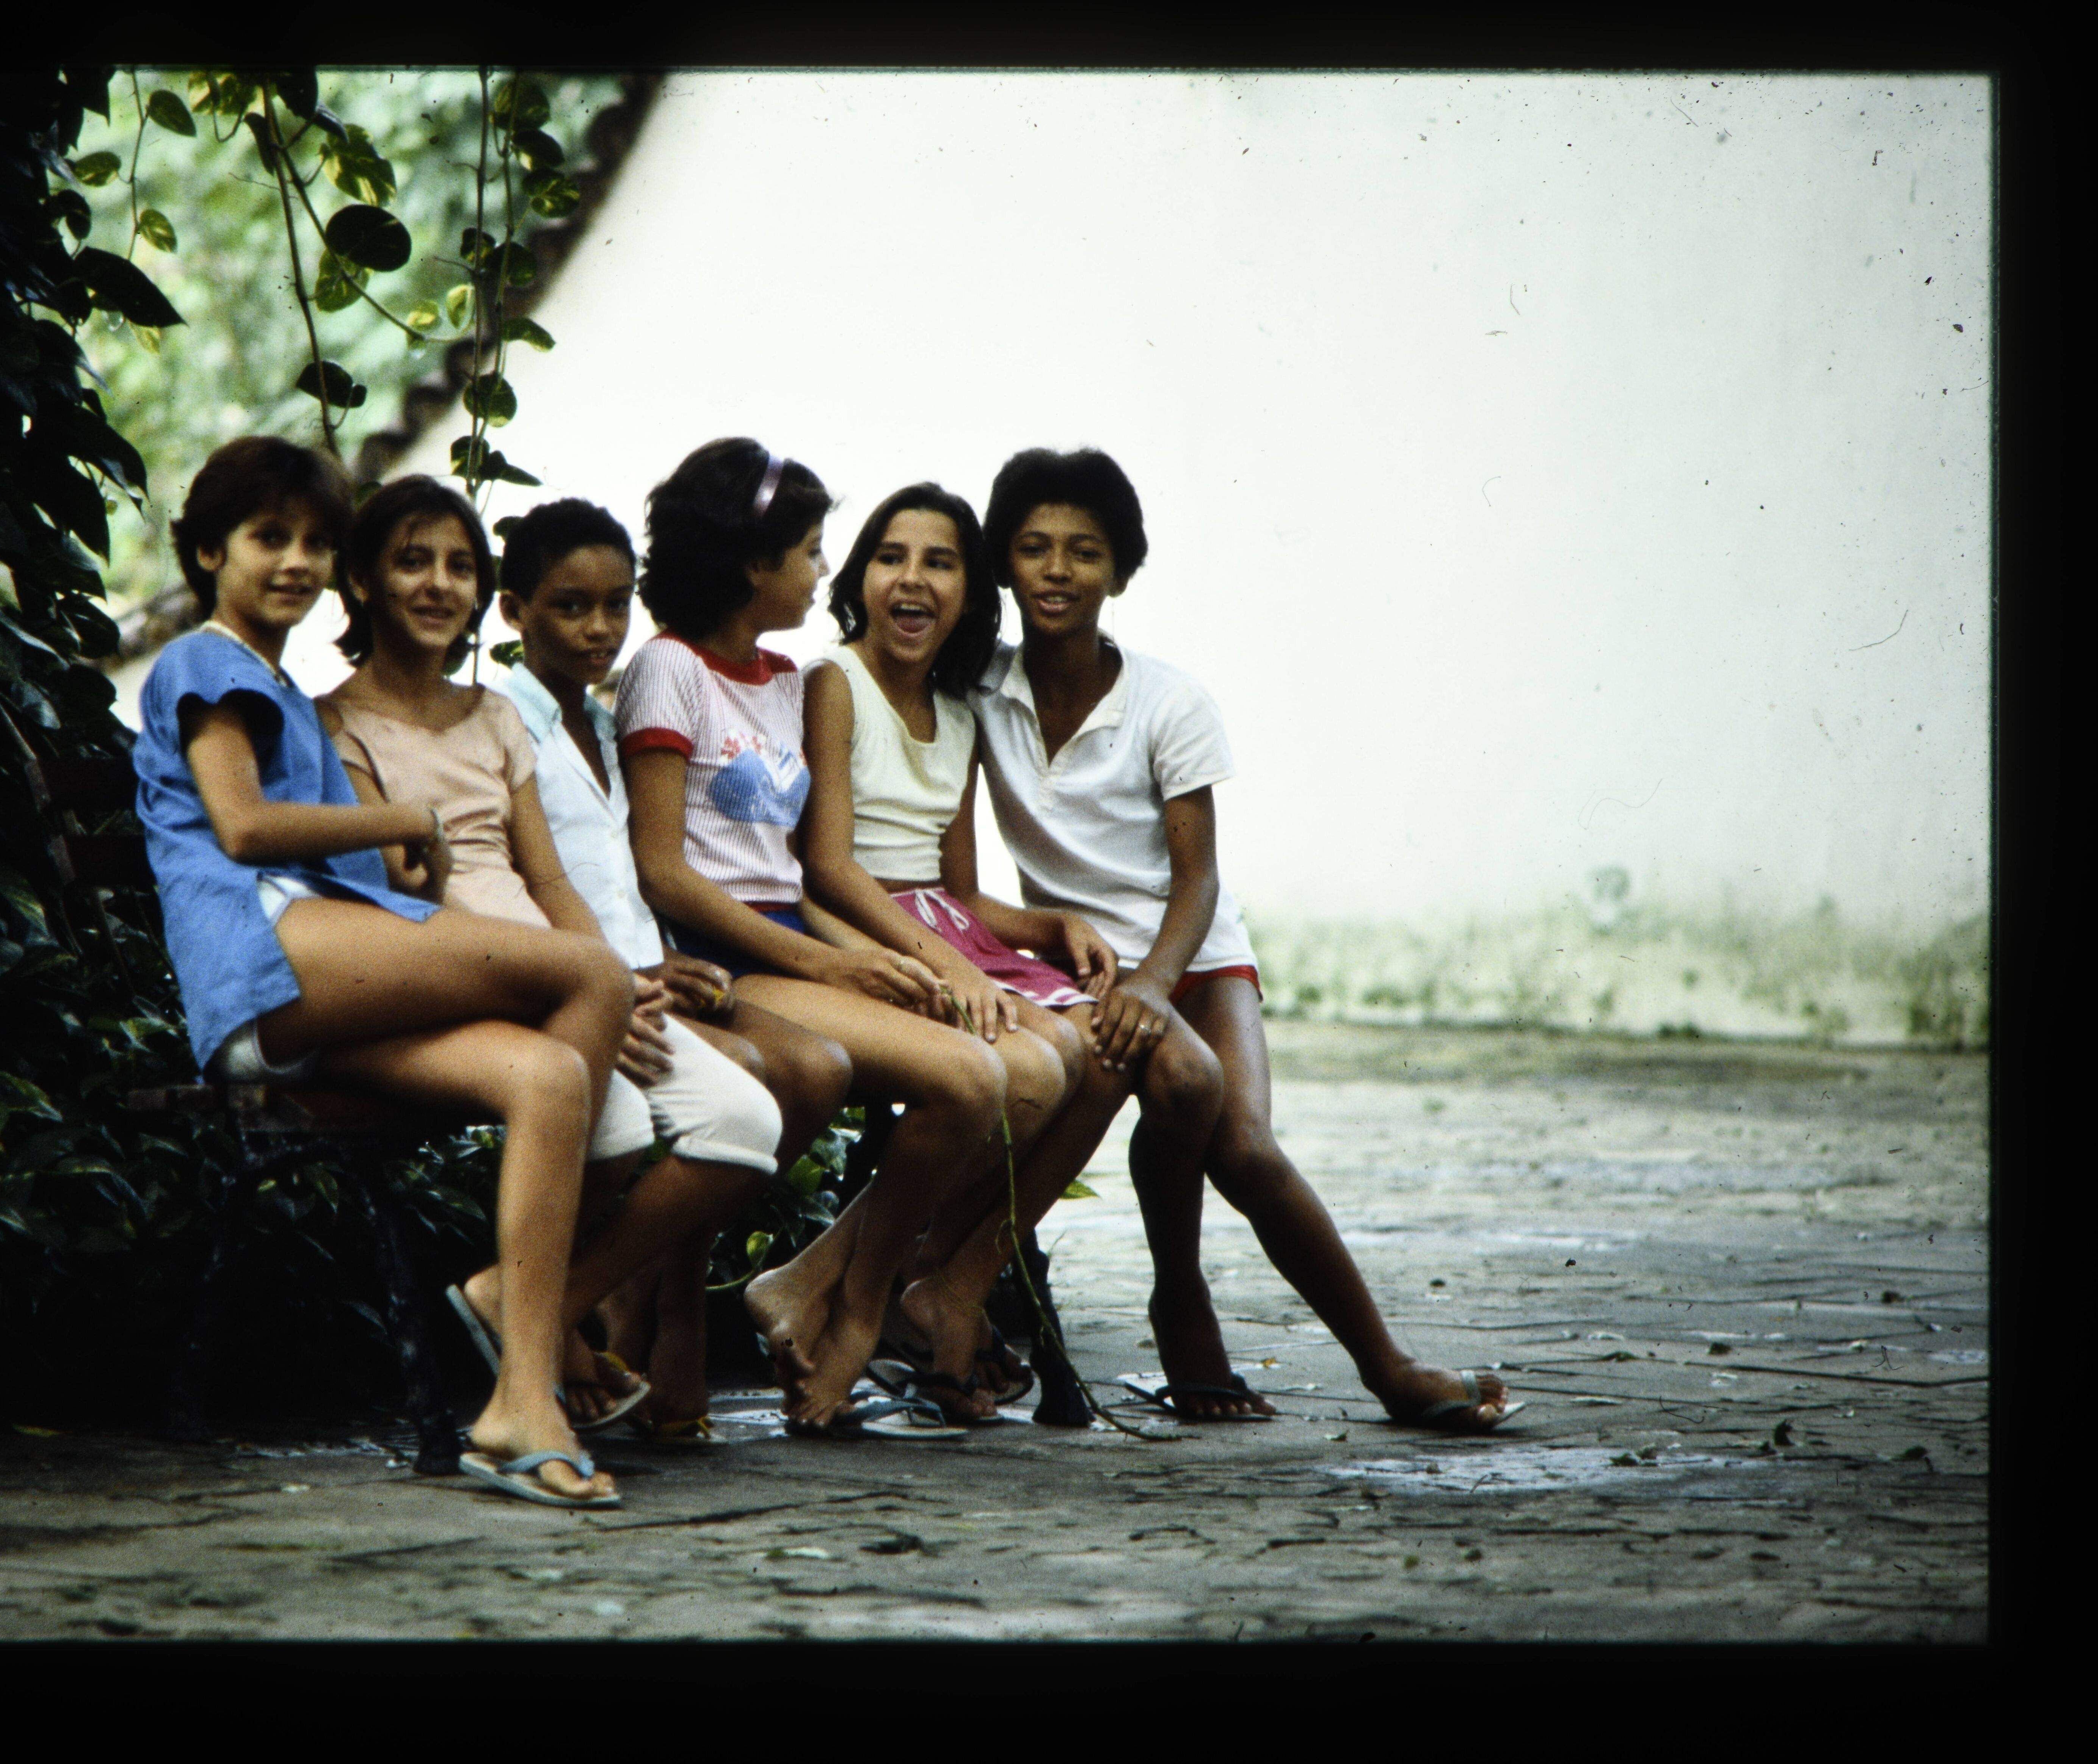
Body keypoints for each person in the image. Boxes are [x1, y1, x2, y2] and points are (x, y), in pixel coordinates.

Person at [965, 445, 1522, 1431]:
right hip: (1076, 963)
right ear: (1003, 564)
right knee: (1180, 1087)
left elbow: (1198, 879)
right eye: (1034, 547)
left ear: (1120, 572)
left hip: (1193, 954)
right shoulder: (979, 692)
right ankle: (1181, 1302)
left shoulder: (1167, 700)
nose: (1057, 570)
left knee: (1247, 1149)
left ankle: (1386, 1366)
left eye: (1085, 552)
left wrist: (1155, 981)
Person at [132, 437, 634, 1510]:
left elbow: (361, 864)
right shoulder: (202, 662)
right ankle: (544, 1339)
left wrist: (405, 855)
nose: (296, 562)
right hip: (264, 955)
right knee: (594, 976)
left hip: (326, 977)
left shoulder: (279, 683)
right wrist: (409, 818)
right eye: (269, 538)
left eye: (317, 542)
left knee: (549, 1076)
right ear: (208, 550)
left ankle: (520, 1396)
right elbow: (243, 825)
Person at [313, 477, 797, 1443]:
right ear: (362, 582)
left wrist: (607, 982)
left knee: (744, 1123)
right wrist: (567, 984)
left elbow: (550, 879)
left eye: (457, 564)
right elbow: (400, 896)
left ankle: (531, 1299)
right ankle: (546, 1348)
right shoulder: (336, 724)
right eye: (412, 562)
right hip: (457, 974)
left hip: (560, 973)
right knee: (615, 1123)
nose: (437, 584)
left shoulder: (494, 719)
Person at [617, 437, 1017, 1439]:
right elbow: (665, 871)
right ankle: (684, 1297)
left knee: (988, 1069)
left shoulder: (783, 679)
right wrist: (828, 963)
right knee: (963, 1077)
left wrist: (882, 959)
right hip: (718, 954)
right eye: (807, 552)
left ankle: (708, 1288)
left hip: (791, 937)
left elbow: (798, 869)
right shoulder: (667, 670)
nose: (820, 572)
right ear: (750, 562)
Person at [490, 496, 854, 1437]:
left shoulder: (598, 721)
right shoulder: (504, 726)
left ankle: (582, 1305)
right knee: (750, 1080)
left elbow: (617, 881)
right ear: (513, 611)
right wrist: (614, 982)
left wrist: (658, 965)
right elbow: (507, 885)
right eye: (571, 607)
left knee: (789, 1080)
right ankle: (581, 1312)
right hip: (564, 991)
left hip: (638, 979)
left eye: (615, 606)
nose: (599, 629)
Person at [795, 482, 1098, 1421]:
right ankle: (884, 1293)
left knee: (1096, 1046)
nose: (911, 579)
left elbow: (960, 891)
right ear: (860, 577)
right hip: (864, 928)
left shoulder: (957, 712)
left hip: (940, 924)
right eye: (890, 557)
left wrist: (1050, 925)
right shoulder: (834, 682)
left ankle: (901, 1282)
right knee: (1035, 1069)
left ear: (969, 594)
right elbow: (828, 865)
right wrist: (949, 968)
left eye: (939, 563)